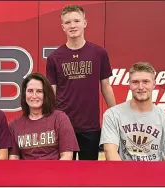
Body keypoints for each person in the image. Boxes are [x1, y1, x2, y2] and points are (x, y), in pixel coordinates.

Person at [46, 5, 116, 160]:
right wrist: (49, 121)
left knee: (89, 174)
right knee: (63, 173)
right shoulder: (54, 57)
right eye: (68, 22)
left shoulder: (99, 53)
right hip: (63, 124)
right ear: (62, 26)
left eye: (76, 21)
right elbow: (52, 92)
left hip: (90, 125)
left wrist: (116, 115)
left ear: (85, 23)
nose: (72, 25)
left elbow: (106, 87)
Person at [99, 62, 165, 161]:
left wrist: (160, 176)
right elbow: (110, 152)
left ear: (154, 84)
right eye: (135, 82)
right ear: (130, 84)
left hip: (156, 174)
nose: (140, 87)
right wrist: (125, 175)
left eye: (145, 82)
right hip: (123, 173)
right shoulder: (113, 115)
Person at [9, 73, 79, 160]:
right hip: (26, 173)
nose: (34, 96)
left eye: (39, 91)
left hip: (55, 172)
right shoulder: (14, 124)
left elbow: (67, 156)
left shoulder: (60, 119)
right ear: (24, 93)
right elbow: (14, 158)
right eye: (30, 91)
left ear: (46, 94)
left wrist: (53, 173)